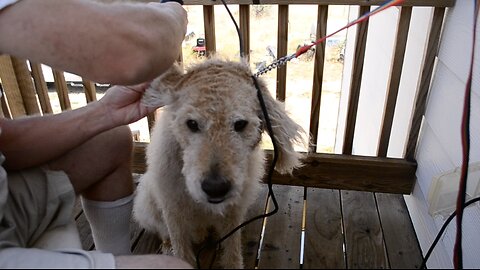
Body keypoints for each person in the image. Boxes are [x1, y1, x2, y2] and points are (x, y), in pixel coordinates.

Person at [0, 0, 191, 268]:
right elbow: (132, 51)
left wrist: (105, 111)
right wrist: (172, 10)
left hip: (6, 200)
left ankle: (117, 254)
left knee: (111, 138)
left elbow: (6, 142)